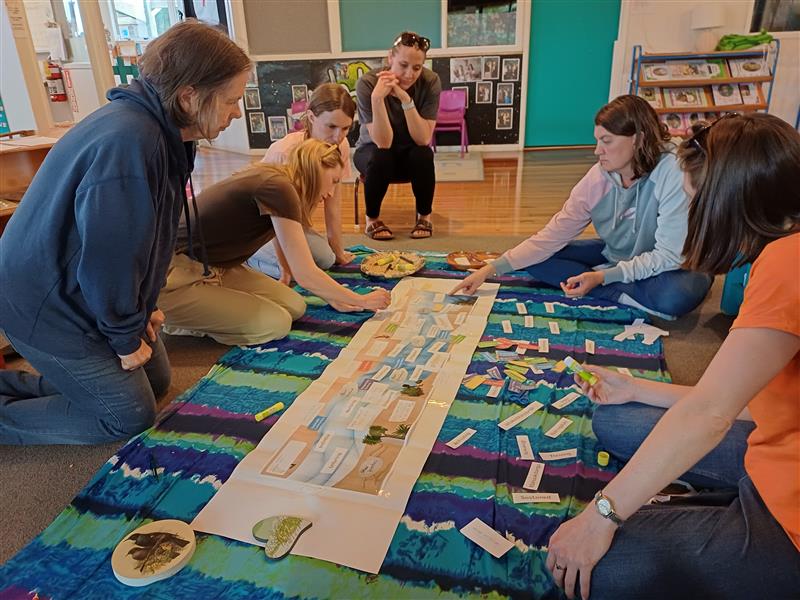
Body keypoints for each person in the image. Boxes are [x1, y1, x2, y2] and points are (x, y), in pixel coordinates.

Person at [545, 113, 800, 599]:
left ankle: (725, 515)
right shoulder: (784, 248)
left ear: (728, 201)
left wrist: (602, 514)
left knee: (592, 572)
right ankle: (711, 507)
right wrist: (635, 387)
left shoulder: (787, 263)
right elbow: (750, 398)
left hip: (790, 509)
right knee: (614, 420)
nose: (689, 218)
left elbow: (710, 414)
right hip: (777, 441)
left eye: (692, 203)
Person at [0, 21, 251, 445]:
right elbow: (108, 259)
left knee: (155, 383)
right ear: (190, 97)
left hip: (76, 291)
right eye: (232, 101)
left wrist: (142, 308)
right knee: (128, 416)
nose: (236, 113)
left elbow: (146, 244)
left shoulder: (167, 133)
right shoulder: (131, 142)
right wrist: (122, 330)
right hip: (43, 305)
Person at [451, 95, 712, 320]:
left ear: (638, 138)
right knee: (538, 259)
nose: (597, 151)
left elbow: (670, 256)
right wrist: (489, 270)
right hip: (619, 256)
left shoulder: (673, 172)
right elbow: (550, 236)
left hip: (673, 264)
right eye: (597, 140)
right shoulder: (598, 177)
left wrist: (602, 277)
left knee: (676, 297)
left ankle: (605, 286)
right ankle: (623, 291)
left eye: (607, 141)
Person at [159, 139, 391, 345]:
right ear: (315, 169)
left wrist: (333, 296)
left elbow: (283, 240)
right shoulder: (278, 187)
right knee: (275, 324)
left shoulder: (281, 181)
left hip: (217, 267)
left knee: (295, 306)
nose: (331, 192)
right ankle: (175, 318)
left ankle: (213, 303)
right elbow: (306, 273)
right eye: (333, 181)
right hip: (173, 274)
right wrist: (360, 300)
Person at [248, 84, 356, 281]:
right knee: (301, 270)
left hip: (291, 222)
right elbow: (270, 216)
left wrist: (338, 251)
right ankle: (246, 258)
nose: (338, 137)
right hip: (260, 226)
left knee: (326, 258)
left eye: (346, 128)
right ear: (312, 117)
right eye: (331, 126)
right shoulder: (285, 152)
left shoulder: (341, 146)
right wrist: (285, 266)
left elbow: (333, 204)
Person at [353, 31, 441, 241]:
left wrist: (405, 99)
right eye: (403, 65)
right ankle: (372, 219)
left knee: (423, 154)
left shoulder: (430, 82)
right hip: (372, 152)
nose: (409, 74)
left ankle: (424, 216)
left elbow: (423, 139)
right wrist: (377, 99)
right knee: (382, 156)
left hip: (410, 152)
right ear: (390, 58)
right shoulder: (367, 84)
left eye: (417, 67)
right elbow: (383, 143)